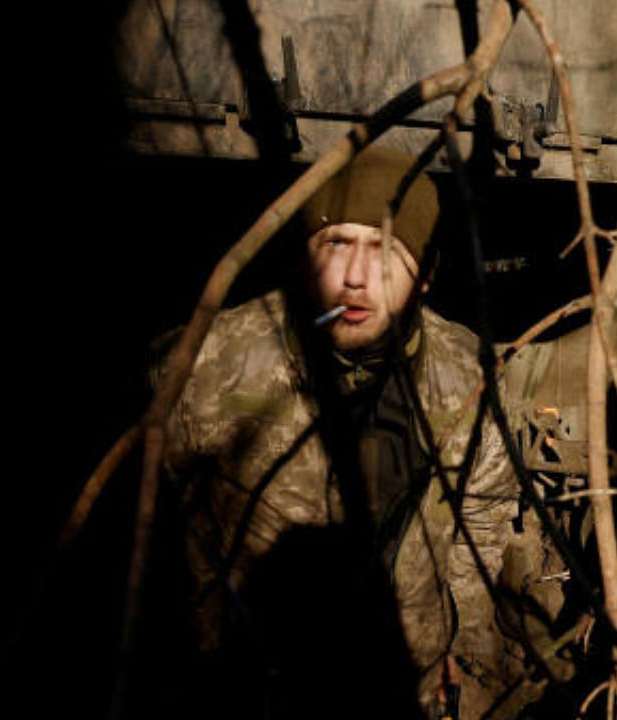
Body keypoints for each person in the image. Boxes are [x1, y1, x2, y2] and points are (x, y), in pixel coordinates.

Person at [159, 147, 519, 718]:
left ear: (425, 274)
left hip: (403, 681)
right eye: (337, 244)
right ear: (304, 261)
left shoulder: (465, 376)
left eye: (383, 248)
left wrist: (462, 640)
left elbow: (486, 509)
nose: (355, 277)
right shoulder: (208, 364)